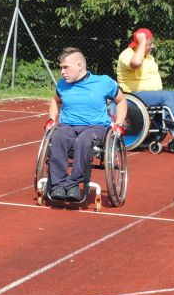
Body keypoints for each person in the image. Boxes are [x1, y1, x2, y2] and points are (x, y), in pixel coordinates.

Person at [46, 48, 127, 202]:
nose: (62, 72)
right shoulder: (62, 84)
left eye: (65, 67)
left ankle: (73, 184)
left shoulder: (103, 82)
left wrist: (119, 123)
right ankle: (58, 185)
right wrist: (51, 118)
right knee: (57, 137)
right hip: (68, 126)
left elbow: (121, 101)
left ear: (79, 65)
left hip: (94, 127)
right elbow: (55, 100)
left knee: (83, 141)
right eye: (61, 68)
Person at [116, 28, 174, 142]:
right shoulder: (127, 54)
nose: (153, 46)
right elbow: (136, 63)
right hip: (133, 95)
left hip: (150, 94)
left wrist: (144, 44)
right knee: (165, 96)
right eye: (150, 44)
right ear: (140, 44)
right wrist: (142, 42)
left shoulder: (148, 57)